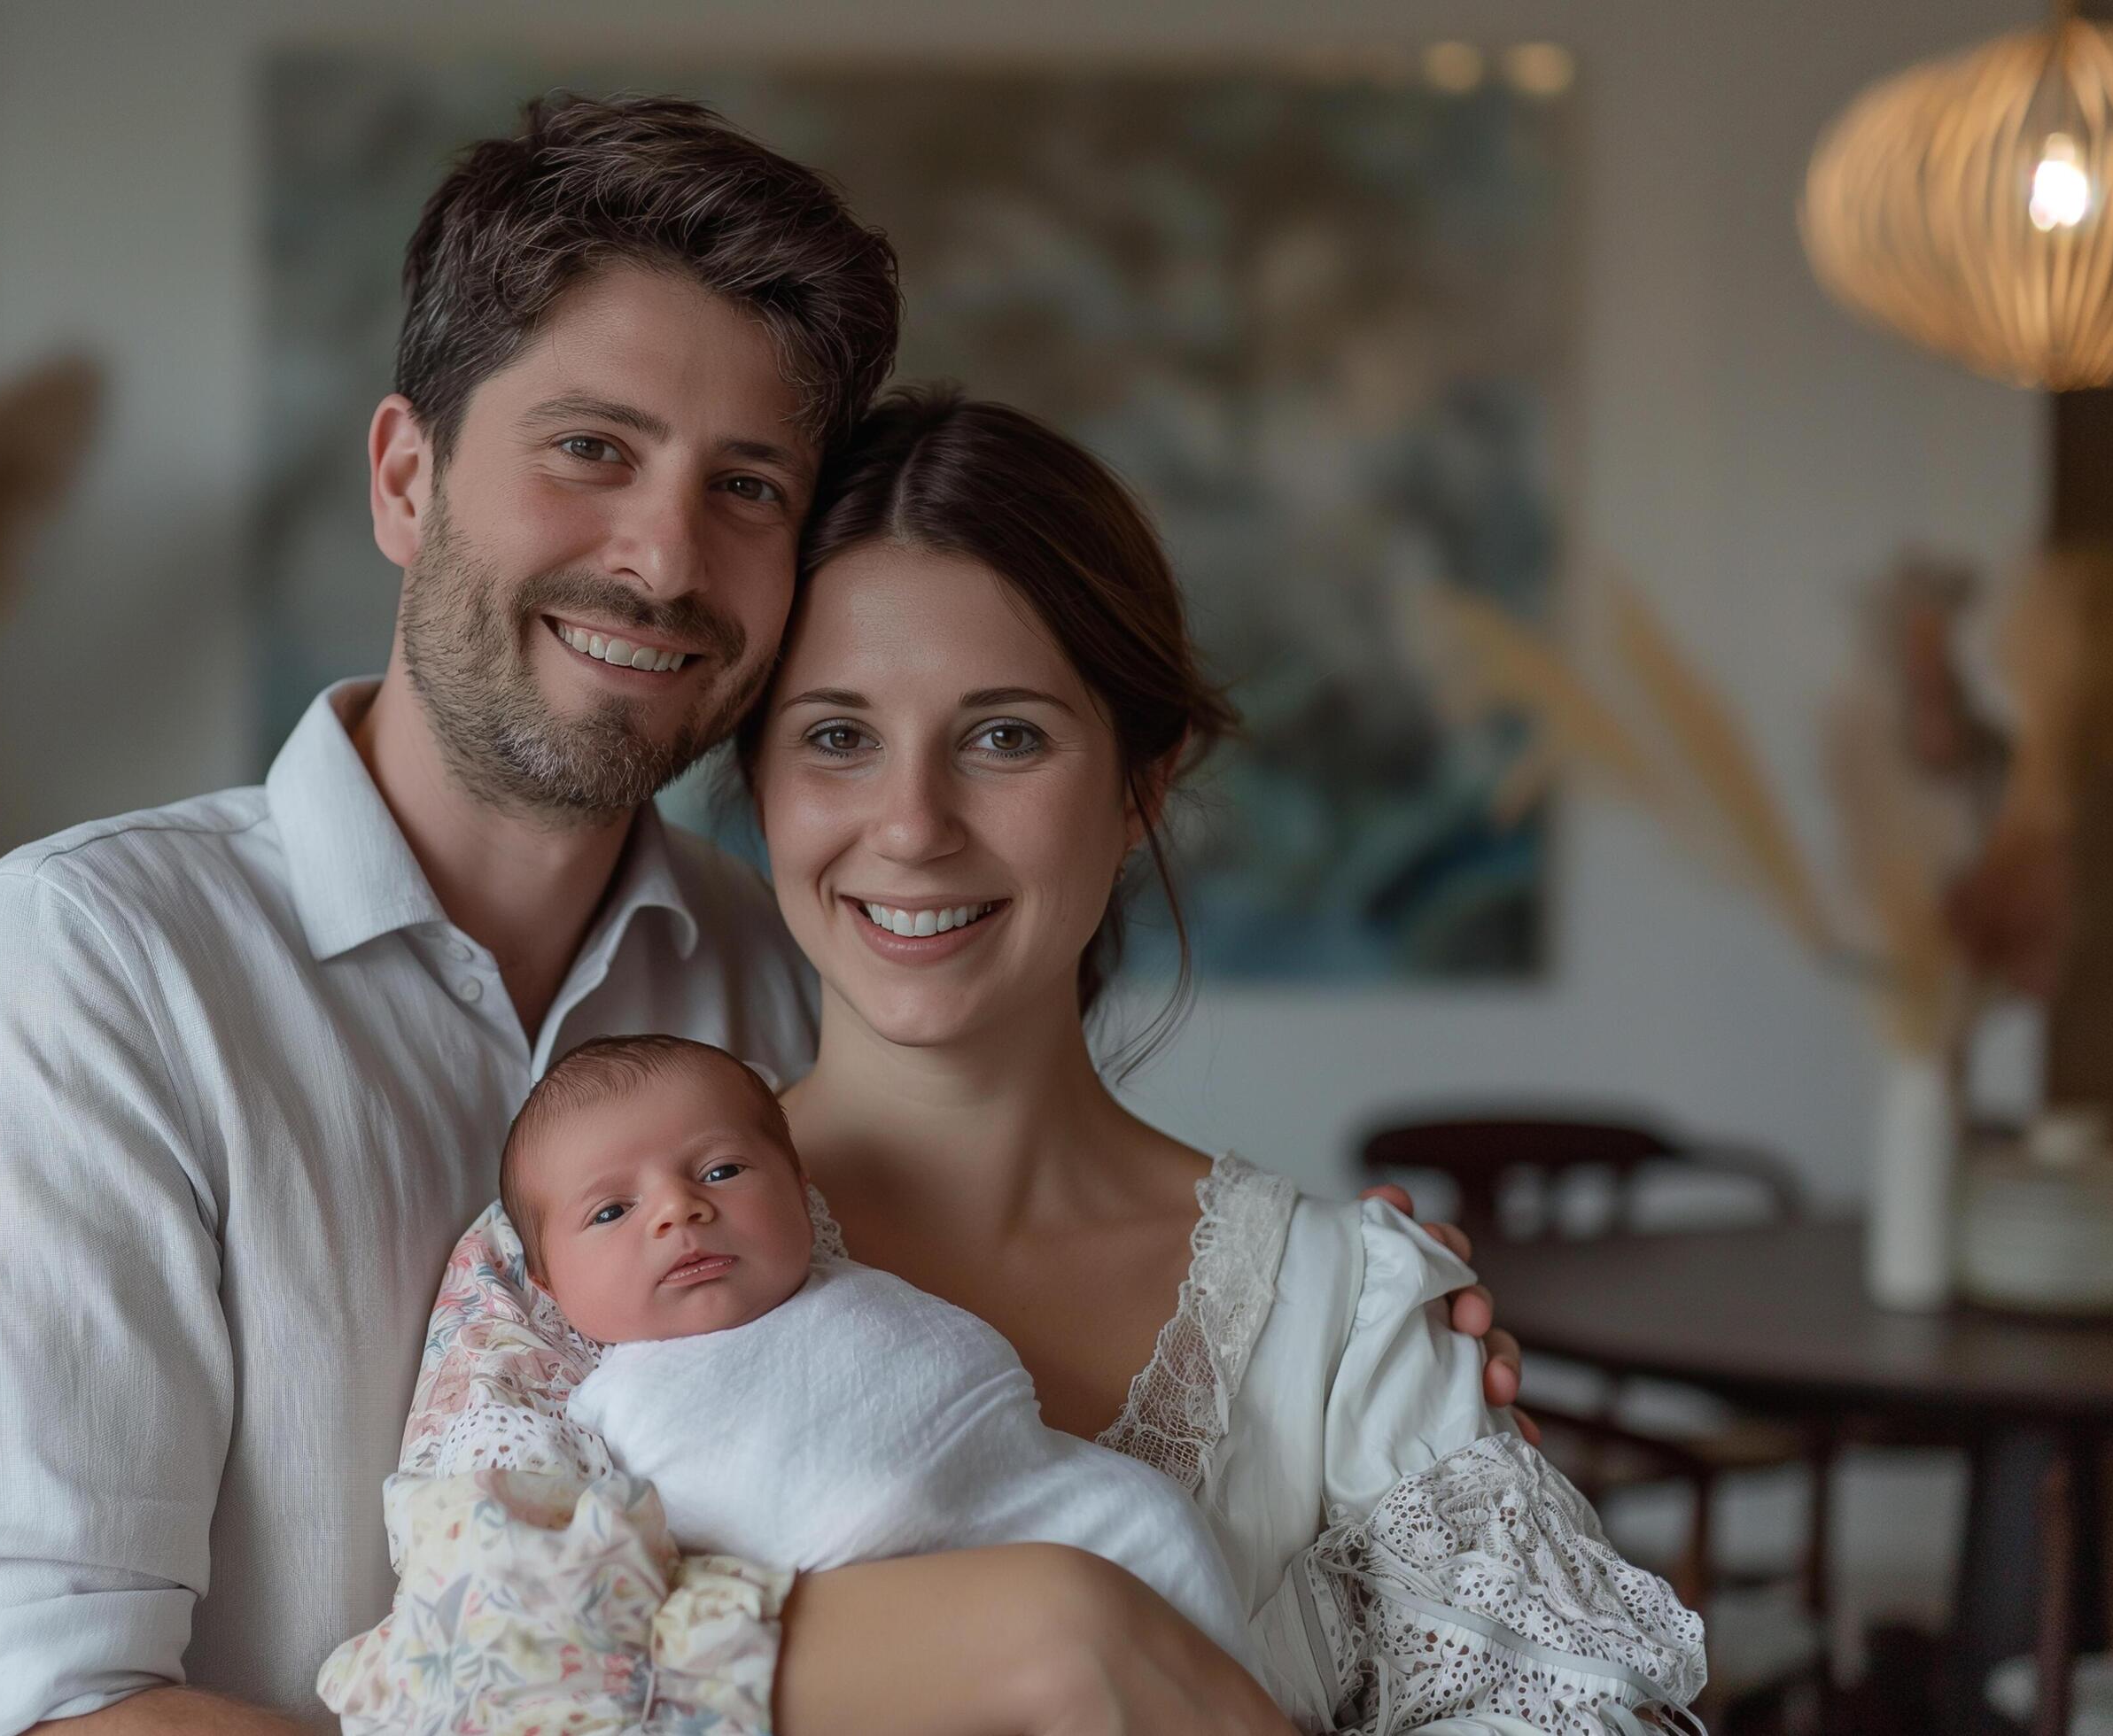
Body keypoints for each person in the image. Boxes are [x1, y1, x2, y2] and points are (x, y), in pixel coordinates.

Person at [0, 94, 1517, 1736]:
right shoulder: (87, 975)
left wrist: (1367, 1335)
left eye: (746, 487)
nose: (662, 560)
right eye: (592, 449)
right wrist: (1011, 1635)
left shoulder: (797, 965)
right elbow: (34, 1714)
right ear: (403, 475)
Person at [359, 390, 1706, 1736]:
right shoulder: (581, 1250)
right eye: (837, 737)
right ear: (759, 786)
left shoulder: (1344, 1317)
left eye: (1004, 736)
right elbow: (454, 1700)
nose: (913, 826)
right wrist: (1047, 1634)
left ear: (1139, 788)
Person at [359, 1033, 1255, 1697]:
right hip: (886, 1661)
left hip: (1094, 1525)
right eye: (611, 1211)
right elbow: (538, 1611)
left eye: (720, 1169)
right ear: (546, 1281)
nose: (678, 1210)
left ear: (798, 1190)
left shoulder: (850, 1288)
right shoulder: (593, 1412)